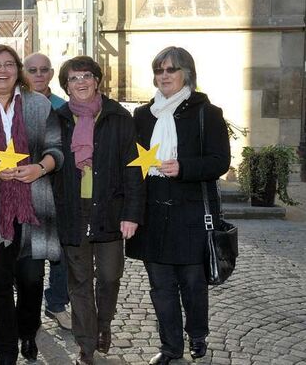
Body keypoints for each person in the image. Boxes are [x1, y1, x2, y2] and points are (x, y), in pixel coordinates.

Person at [126, 46, 231, 365]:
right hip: (154, 213)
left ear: (187, 73)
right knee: (161, 287)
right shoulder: (143, 115)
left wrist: (183, 167)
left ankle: (197, 334)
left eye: (170, 69)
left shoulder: (207, 112)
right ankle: (171, 347)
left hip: (191, 215)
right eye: (159, 71)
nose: (164, 76)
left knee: (193, 284)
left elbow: (220, 162)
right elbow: (134, 166)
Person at [0, 44, 63, 365]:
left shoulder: (38, 104)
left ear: (17, 68)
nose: (2, 70)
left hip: (33, 207)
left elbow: (57, 149)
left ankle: (28, 332)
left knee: (32, 281)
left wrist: (39, 168)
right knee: (0, 286)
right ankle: (5, 352)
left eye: (9, 64)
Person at [51, 56, 144, 365]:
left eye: (86, 76)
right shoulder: (59, 118)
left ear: (97, 80)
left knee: (109, 277)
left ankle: (103, 324)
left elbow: (133, 168)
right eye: (74, 78)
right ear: (65, 85)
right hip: (72, 212)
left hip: (110, 211)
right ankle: (86, 345)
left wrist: (131, 213)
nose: (81, 82)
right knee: (78, 283)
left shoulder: (118, 116)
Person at [23, 52, 71, 331]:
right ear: (24, 73)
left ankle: (56, 304)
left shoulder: (63, 108)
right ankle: (28, 308)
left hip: (57, 188)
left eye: (44, 70)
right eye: (32, 70)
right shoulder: (16, 105)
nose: (38, 74)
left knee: (59, 252)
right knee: (28, 256)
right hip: (25, 189)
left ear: (51, 74)